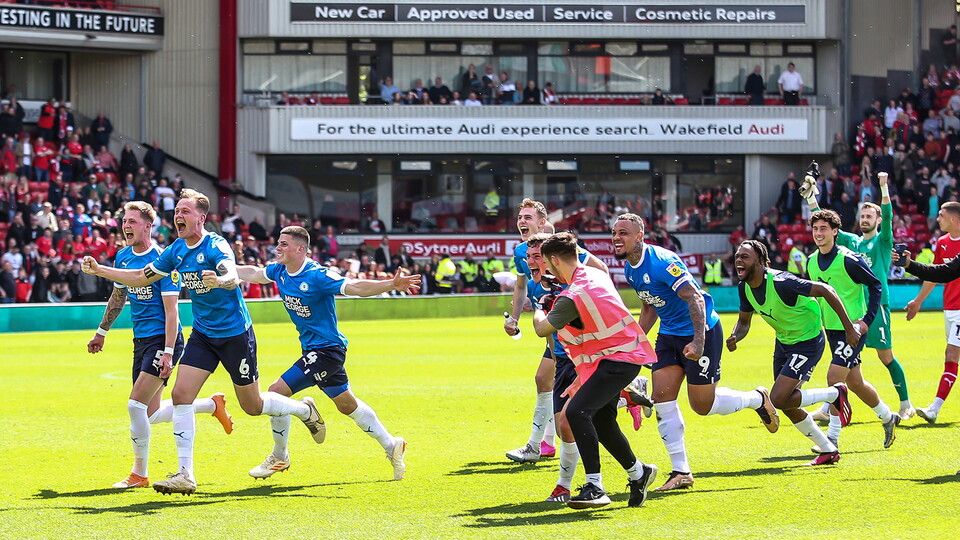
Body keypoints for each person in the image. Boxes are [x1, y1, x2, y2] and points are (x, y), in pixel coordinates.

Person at [81, 189, 326, 495]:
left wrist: (221, 280)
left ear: (201, 218)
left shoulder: (216, 244)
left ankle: (304, 410)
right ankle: (186, 474)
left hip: (235, 334)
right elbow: (143, 277)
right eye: (176, 211)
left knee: (253, 405)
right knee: (181, 395)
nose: (178, 216)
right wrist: (101, 270)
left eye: (185, 211)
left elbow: (230, 274)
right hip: (203, 334)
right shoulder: (176, 250)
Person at [613, 214, 779, 491]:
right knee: (662, 398)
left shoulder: (663, 262)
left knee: (702, 406)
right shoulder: (630, 268)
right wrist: (637, 340)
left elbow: (696, 297)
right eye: (614, 233)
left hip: (702, 331)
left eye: (623, 233)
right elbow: (650, 304)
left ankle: (757, 399)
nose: (617, 238)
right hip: (669, 335)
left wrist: (699, 342)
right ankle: (681, 471)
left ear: (639, 236)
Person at [236, 226, 416, 480]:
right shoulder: (279, 271)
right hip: (313, 350)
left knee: (276, 392)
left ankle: (280, 456)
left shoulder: (318, 275)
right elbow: (254, 273)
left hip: (327, 351)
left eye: (284, 244)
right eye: (278, 242)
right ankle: (392, 445)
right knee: (347, 405)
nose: (278, 247)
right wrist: (224, 268)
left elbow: (356, 287)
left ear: (301, 249)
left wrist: (390, 284)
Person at [87, 201, 233, 489]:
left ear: (147, 226)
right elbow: (118, 298)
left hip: (163, 339)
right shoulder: (123, 257)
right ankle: (211, 405)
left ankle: (139, 474)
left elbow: (172, 311)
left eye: (132, 221)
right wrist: (102, 331)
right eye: (124, 221)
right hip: (141, 339)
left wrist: (167, 352)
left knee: (134, 405)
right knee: (150, 413)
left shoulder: (164, 260)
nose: (126, 226)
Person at [532, 232, 658, 509]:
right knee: (602, 420)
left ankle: (595, 486)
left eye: (548, 264)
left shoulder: (571, 297)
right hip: (622, 356)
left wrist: (540, 306)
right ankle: (639, 473)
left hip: (617, 360)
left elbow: (542, 329)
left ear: (554, 261)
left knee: (577, 412)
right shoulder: (594, 274)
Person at [726, 240, 857, 466]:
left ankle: (834, 394)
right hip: (784, 342)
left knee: (777, 398)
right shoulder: (744, 287)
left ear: (760, 261)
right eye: (737, 256)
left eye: (745, 256)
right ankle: (828, 450)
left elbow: (826, 290)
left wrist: (849, 328)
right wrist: (736, 335)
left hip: (808, 342)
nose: (739, 260)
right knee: (786, 403)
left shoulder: (782, 282)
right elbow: (744, 322)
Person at [802, 168, 915, 419]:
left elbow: (888, 215)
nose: (865, 219)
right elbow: (825, 225)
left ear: (877, 220)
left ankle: (905, 403)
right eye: (862, 215)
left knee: (886, 357)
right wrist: (811, 198)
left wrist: (883, 187)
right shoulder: (853, 242)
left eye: (869, 216)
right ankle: (831, 409)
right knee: (848, 369)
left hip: (877, 305)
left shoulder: (882, 242)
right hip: (854, 308)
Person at [504, 199, 608, 464]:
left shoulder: (562, 248)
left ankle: (625, 393)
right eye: (520, 217)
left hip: (573, 327)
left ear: (542, 222)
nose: (522, 221)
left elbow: (601, 270)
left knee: (570, 391)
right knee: (546, 380)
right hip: (555, 327)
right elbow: (521, 285)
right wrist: (515, 317)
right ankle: (542, 444)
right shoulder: (522, 251)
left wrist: (588, 302)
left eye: (528, 217)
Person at [803, 209, 900, 450]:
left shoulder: (849, 259)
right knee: (855, 383)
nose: (818, 233)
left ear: (835, 231)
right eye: (815, 229)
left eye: (824, 229)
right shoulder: (811, 261)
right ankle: (888, 416)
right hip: (831, 329)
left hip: (853, 330)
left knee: (834, 379)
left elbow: (876, 286)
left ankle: (832, 438)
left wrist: (866, 321)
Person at [904, 201, 960, 423]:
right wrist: (918, 301)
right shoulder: (943, 243)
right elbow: (936, 274)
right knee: (952, 356)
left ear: (954, 219)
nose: (937, 219)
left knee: (951, 355)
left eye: (941, 215)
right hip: (950, 308)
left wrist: (910, 265)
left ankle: (934, 409)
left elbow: (945, 271)